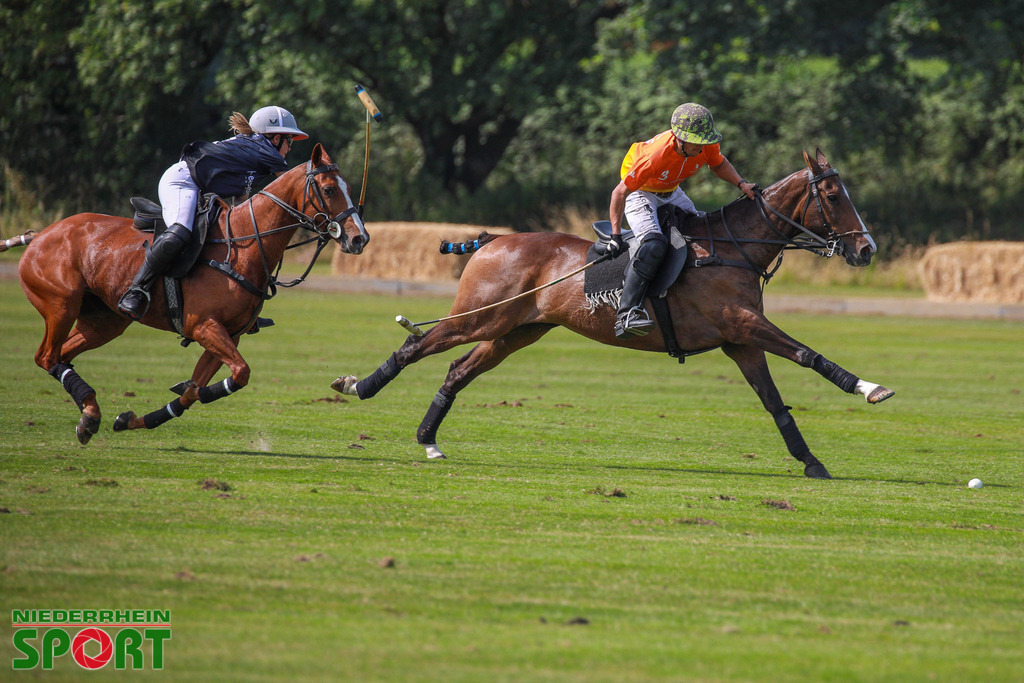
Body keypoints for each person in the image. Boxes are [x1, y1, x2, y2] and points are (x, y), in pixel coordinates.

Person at [117, 105, 308, 320]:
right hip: (182, 182)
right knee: (179, 233)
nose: (290, 147)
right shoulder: (263, 150)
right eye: (289, 140)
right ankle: (136, 291)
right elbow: (297, 184)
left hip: (199, 191)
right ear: (275, 138)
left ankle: (241, 308)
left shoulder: (255, 153)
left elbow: (241, 201)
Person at [606, 102, 757, 339]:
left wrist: (741, 183)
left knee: (705, 231)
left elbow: (718, 164)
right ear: (679, 138)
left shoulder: (705, 143)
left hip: (672, 191)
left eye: (705, 141)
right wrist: (615, 235)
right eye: (697, 141)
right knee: (654, 244)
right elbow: (619, 193)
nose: (702, 147)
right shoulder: (654, 156)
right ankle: (627, 314)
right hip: (641, 192)